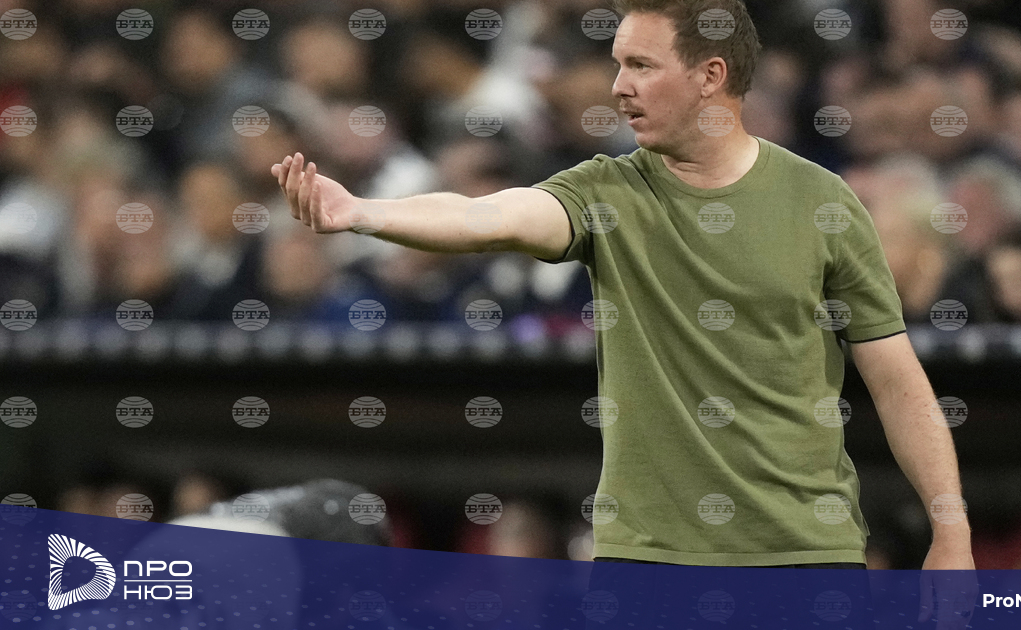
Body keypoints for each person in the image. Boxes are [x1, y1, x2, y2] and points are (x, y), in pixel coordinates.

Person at [272, 0, 974, 624]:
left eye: (640, 65)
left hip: (805, 560)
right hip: (646, 566)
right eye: (617, 64)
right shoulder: (606, 191)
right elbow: (488, 216)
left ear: (710, 75)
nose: (617, 87)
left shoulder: (823, 202)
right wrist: (362, 212)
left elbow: (898, 383)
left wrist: (951, 534)